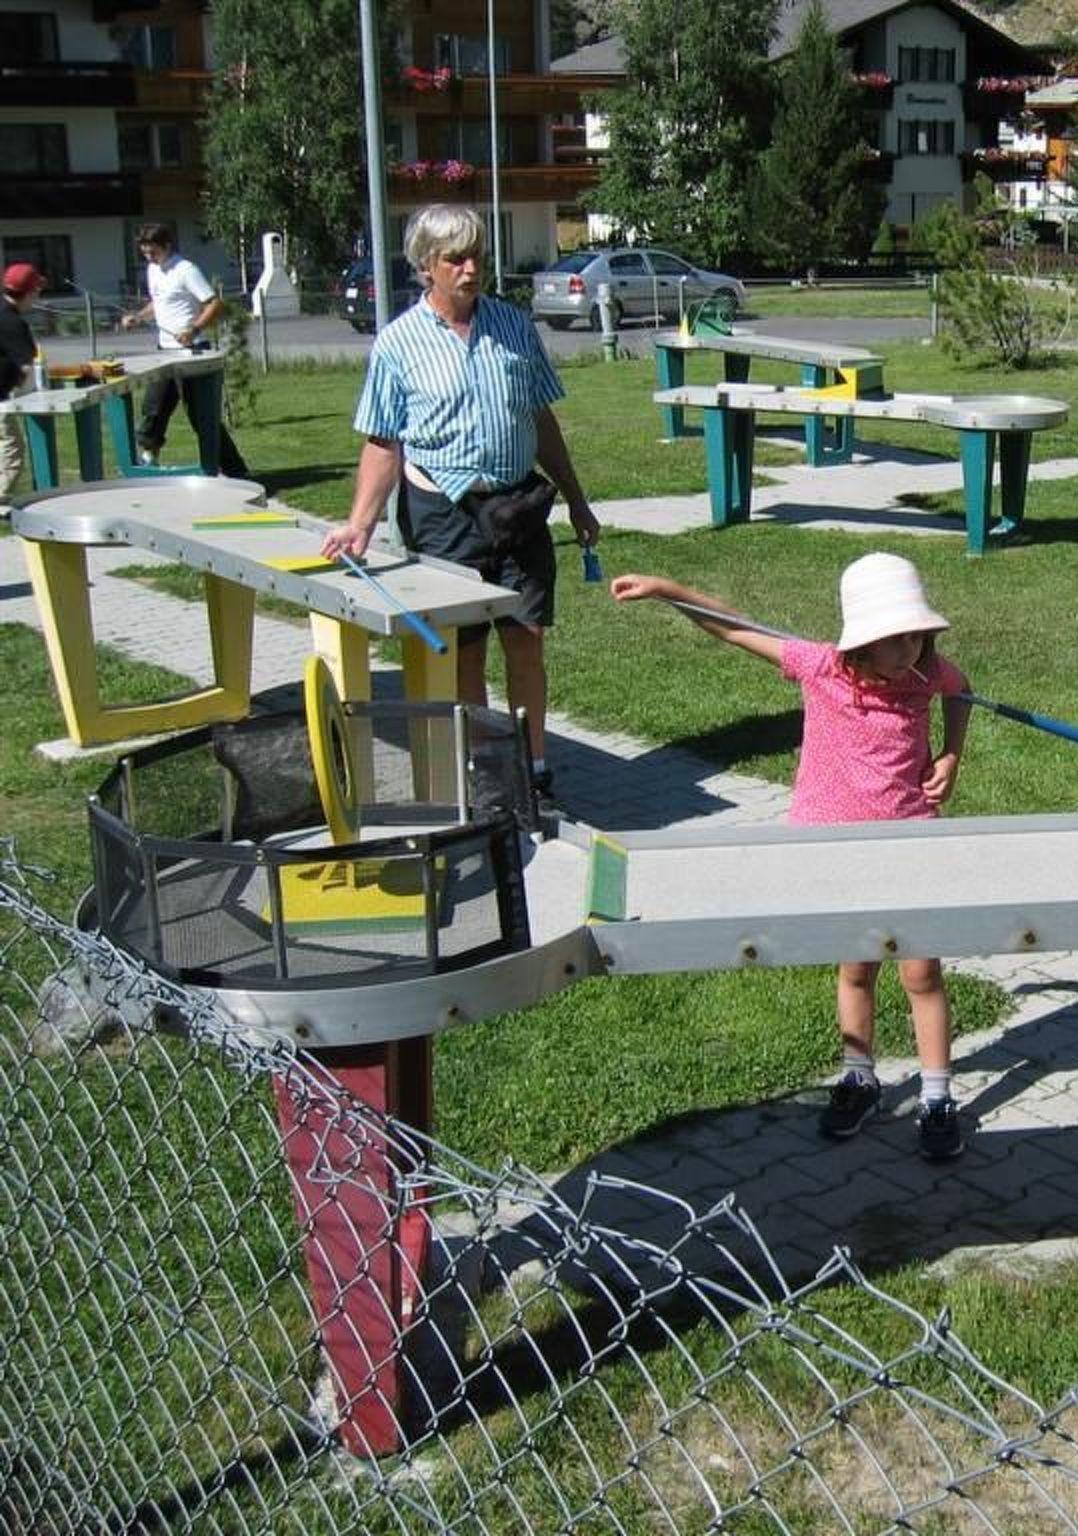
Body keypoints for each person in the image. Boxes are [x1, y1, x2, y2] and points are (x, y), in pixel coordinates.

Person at [609, 553, 974, 1161]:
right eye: (896, 637)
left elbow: (962, 693)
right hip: (837, 850)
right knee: (856, 967)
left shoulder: (927, 673)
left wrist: (951, 757)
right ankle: (860, 1078)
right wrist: (667, 588)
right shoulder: (819, 666)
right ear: (862, 640)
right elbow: (733, 626)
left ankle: (937, 1097)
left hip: (911, 841)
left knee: (922, 972)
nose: (911, 647)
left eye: (917, 633)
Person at [320, 204, 600, 803]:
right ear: (426, 266)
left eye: (478, 255)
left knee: (525, 637)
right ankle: (488, 768)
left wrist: (576, 500)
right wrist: (359, 524)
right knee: (464, 651)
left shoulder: (514, 327)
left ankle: (536, 765)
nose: (472, 268)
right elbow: (382, 441)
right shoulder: (397, 344)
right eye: (456, 258)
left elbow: (540, 417)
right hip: (444, 514)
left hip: (519, 507)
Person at [117, 223, 252, 478]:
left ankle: (235, 471)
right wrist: (138, 316)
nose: (149, 258)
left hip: (193, 353)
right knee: (153, 410)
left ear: (167, 246)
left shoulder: (185, 270)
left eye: (153, 252)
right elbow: (157, 303)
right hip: (163, 352)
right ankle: (149, 461)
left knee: (201, 417)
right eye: (145, 253)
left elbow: (213, 304)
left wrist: (194, 329)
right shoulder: (152, 270)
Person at [0, 262, 42, 499]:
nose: (37, 296)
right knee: (12, 448)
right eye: (36, 291)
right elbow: (28, 363)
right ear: (29, 292)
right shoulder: (13, 323)